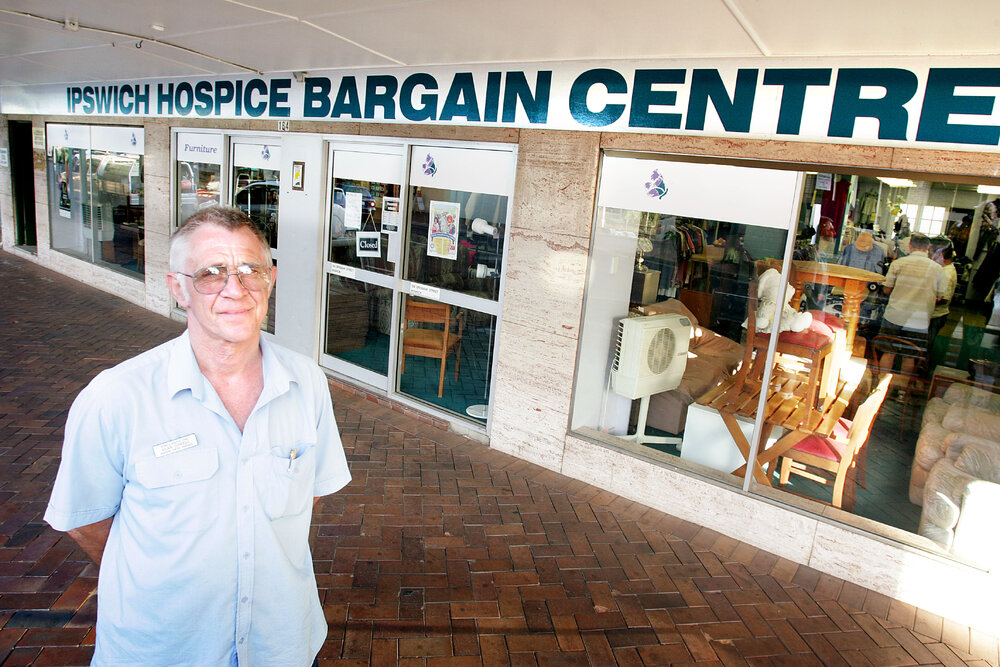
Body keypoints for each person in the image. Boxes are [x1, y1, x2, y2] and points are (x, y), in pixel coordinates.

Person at [44, 206, 351, 666]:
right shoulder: (117, 396)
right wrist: (158, 578)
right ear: (177, 289)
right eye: (211, 273)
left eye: (250, 269)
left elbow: (310, 495)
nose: (235, 289)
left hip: (279, 644)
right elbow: (83, 518)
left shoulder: (306, 382)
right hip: (165, 650)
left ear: (271, 278)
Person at [876, 234, 947, 379]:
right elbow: (940, 297)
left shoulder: (899, 263)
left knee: (888, 352)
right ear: (928, 247)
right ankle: (902, 391)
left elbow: (886, 289)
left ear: (910, 246)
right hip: (918, 318)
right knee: (909, 356)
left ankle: (880, 388)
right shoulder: (937, 269)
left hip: (895, 315)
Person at [928, 244, 958, 355]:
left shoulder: (946, 274)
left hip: (935, 316)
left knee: (926, 347)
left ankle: (923, 367)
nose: (931, 257)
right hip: (933, 315)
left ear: (940, 255)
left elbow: (944, 299)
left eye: (933, 254)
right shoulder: (942, 270)